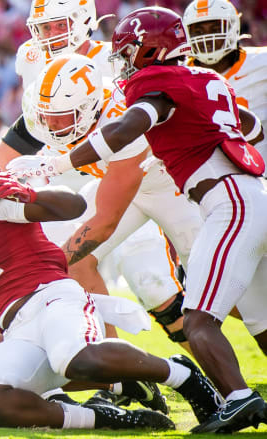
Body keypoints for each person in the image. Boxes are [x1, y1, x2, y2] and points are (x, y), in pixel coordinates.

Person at [15, 7, 267, 433]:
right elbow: (253, 127)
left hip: (204, 197)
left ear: (150, 49)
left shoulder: (150, 88)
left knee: (209, 314)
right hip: (232, 192)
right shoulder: (206, 78)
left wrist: (57, 167)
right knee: (256, 313)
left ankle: (235, 397)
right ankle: (122, 379)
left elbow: (123, 139)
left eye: (128, 51)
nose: (123, 61)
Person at [0, 148, 221, 431]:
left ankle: (182, 375)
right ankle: (104, 419)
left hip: (53, 298)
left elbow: (72, 206)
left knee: (75, 359)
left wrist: (26, 190)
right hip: (17, 329)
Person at [6, 53, 203, 350]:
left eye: (59, 115)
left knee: (228, 295)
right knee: (76, 263)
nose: (49, 123)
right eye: (44, 113)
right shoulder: (69, 105)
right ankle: (115, 368)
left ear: (90, 108)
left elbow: (105, 222)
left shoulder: (121, 115)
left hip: (172, 187)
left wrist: (49, 266)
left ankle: (228, 384)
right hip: (124, 189)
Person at [0, 0, 109, 173]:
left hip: (111, 163)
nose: (52, 35)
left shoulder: (112, 60)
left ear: (84, 20)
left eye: (61, 25)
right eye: (45, 27)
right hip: (55, 166)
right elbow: (2, 154)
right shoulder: (32, 59)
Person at [183, 0, 266, 158]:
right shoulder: (178, 74)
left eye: (215, 29)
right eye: (199, 31)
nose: (208, 37)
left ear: (233, 28)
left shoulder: (261, 62)